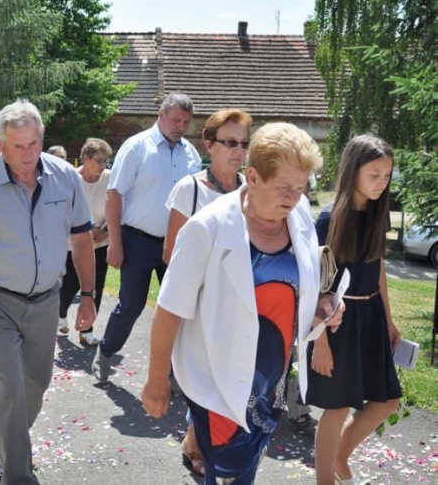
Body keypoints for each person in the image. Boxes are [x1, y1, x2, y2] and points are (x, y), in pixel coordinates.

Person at [142, 123, 344, 485]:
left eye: (302, 188)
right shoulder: (209, 228)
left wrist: (323, 306)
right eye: (284, 187)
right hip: (216, 379)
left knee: (240, 469)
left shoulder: (298, 218)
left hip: (271, 380)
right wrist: (157, 380)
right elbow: (169, 307)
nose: (294, 197)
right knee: (229, 469)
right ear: (252, 176)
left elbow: (298, 289)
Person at [0, 100, 96, 485]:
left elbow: (82, 238)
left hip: (46, 298)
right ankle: (17, 474)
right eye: (17, 147)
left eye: (34, 144)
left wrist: (89, 295)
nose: (28, 155)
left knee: (36, 384)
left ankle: (10, 446)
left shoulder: (64, 177)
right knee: (7, 385)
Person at [306, 135, 401, 485]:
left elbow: (378, 268)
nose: (382, 182)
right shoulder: (329, 218)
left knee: (387, 399)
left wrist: (388, 320)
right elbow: (316, 285)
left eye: (387, 175)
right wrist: (321, 342)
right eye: (374, 173)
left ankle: (341, 456)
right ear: (353, 170)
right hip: (337, 322)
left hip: (372, 316)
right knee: (338, 405)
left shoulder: (378, 214)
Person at [162, 108, 251, 476]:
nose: (238, 151)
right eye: (230, 143)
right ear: (209, 145)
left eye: (244, 144)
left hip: (239, 306)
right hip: (199, 307)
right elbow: (170, 253)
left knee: (229, 378)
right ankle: (199, 442)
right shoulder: (191, 188)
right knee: (204, 377)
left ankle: (195, 439)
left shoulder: (252, 190)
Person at [92, 92, 202, 382]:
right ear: (161, 115)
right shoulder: (137, 147)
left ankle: (171, 372)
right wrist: (114, 242)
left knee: (178, 307)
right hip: (137, 240)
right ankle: (106, 351)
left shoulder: (190, 153)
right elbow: (114, 195)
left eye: (186, 122)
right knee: (131, 304)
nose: (180, 126)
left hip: (177, 244)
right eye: (176, 119)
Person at [57, 138, 113, 346]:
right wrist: (85, 231)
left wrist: (105, 232)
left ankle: (87, 330)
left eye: (106, 161)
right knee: (71, 284)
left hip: (100, 242)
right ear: (85, 158)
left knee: (95, 286)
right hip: (75, 243)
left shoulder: (110, 178)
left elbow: (117, 207)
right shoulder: (70, 179)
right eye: (99, 160)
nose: (103, 165)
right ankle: (61, 313)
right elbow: (62, 211)